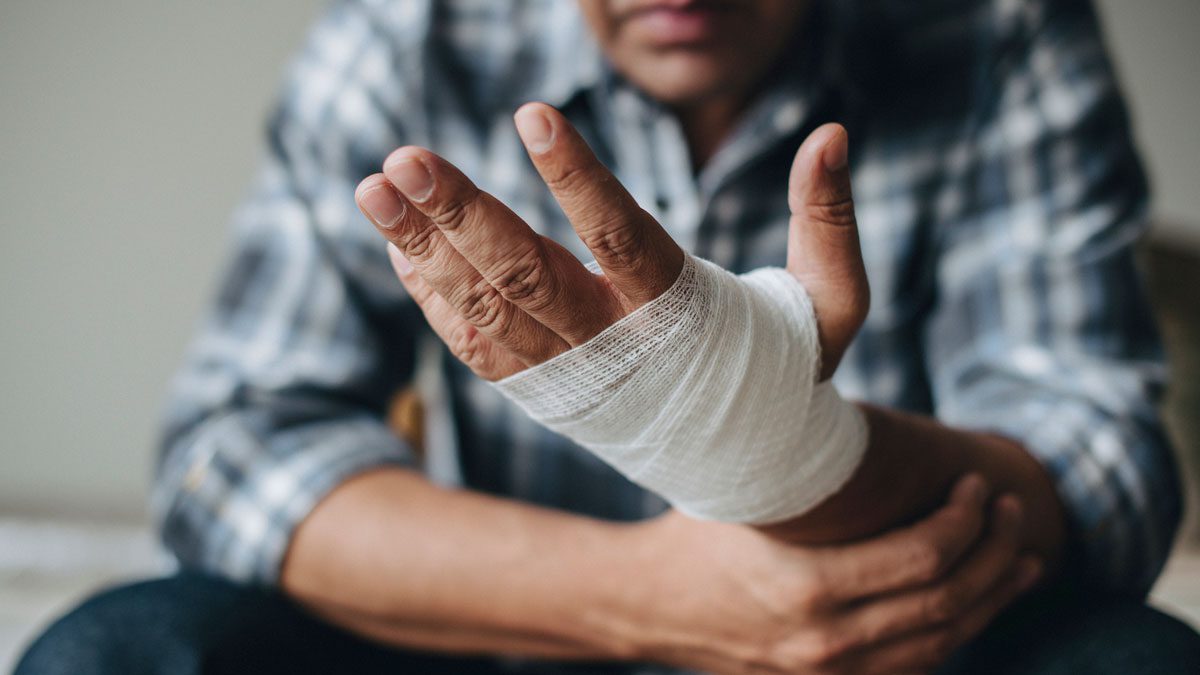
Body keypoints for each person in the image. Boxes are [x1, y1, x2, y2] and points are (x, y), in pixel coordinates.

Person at [17, 0, 1200, 673]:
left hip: (887, 650)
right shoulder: (403, 40)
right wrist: (653, 592)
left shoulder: (1000, 32)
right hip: (511, 649)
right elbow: (229, 450)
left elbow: (1097, 468)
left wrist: (782, 459)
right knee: (118, 656)